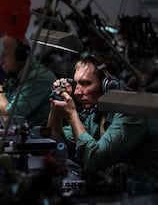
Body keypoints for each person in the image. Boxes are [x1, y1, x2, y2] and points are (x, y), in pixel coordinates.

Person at [47, 53, 158, 193]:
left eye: (86, 83)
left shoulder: (131, 113)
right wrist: (56, 102)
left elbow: (95, 160)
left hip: (146, 196)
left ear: (108, 85)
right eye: (77, 83)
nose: (76, 92)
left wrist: (72, 115)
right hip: (121, 191)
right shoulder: (96, 114)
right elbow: (56, 142)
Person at [0, 34, 57, 126]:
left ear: (21, 55)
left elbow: (9, 119)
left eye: (5, 55)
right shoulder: (16, 76)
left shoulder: (38, 77)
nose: (0, 61)